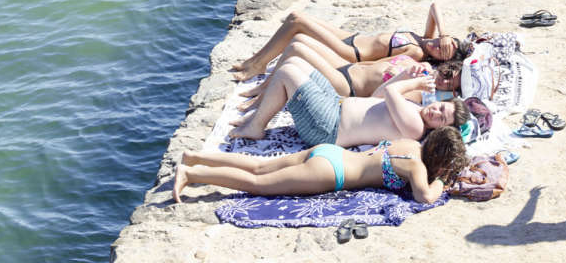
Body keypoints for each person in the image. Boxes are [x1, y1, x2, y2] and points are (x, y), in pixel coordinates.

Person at [173, 126, 468, 206]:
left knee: (260, 166)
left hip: (330, 153)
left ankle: (196, 156)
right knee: (257, 185)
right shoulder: (417, 166)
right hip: (331, 173)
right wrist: (444, 179)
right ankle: (192, 174)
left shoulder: (410, 144)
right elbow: (425, 196)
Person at [229, 54, 467, 143]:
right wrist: (406, 74)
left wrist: (413, 83)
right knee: (295, 62)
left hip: (327, 127)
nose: (435, 111)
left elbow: (394, 94)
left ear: (439, 129)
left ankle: (256, 127)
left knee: (286, 73)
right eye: (440, 107)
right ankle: (257, 118)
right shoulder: (415, 108)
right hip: (335, 105)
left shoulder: (415, 129)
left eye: (440, 118)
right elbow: (378, 96)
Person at [232, 4, 463, 81]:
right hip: (351, 36)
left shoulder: (416, 53)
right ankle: (254, 61)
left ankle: (258, 64)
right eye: (442, 44)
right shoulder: (425, 38)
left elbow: (380, 66)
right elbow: (434, 7)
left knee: (296, 21)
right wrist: (443, 34)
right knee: (296, 17)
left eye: (440, 52)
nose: (436, 47)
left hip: (351, 52)